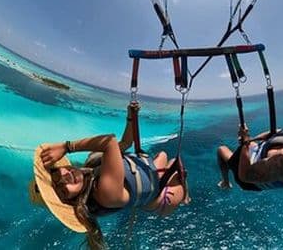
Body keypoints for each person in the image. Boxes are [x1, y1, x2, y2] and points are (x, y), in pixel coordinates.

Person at [29, 104, 189, 249]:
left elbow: (125, 143)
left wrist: (131, 117)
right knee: (177, 166)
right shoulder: (104, 194)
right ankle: (185, 195)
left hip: (149, 175)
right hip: (161, 200)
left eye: (57, 175)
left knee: (163, 154)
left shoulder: (92, 164)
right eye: (63, 191)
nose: (65, 180)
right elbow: (109, 142)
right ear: (71, 200)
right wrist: (67, 147)